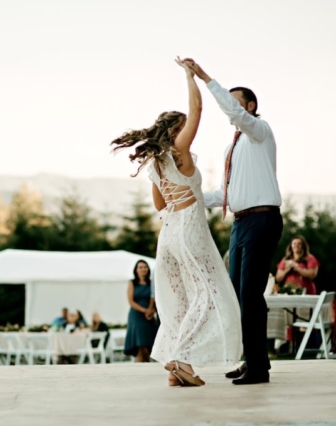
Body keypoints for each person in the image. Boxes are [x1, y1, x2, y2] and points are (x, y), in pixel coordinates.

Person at [111, 58, 242, 386]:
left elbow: (160, 203)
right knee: (214, 295)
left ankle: (178, 370)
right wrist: (190, 75)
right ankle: (182, 358)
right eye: (183, 127)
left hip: (168, 233)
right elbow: (197, 110)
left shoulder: (155, 163)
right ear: (175, 131)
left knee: (180, 297)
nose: (189, 131)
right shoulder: (178, 151)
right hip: (190, 228)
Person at [184, 58, 283, 385]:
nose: (230, 108)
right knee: (238, 296)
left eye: (235, 100)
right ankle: (253, 360)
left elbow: (234, 113)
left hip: (262, 221)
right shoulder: (234, 145)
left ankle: (258, 368)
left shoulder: (259, 132)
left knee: (251, 294)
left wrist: (206, 78)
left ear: (251, 107)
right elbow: (225, 193)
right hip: (240, 224)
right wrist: (190, 195)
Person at [122, 260, 157, 363]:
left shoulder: (152, 283)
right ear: (136, 270)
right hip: (136, 316)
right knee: (140, 345)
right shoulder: (132, 283)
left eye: (145, 267)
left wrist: (151, 311)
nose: (143, 269)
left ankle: (145, 366)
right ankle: (140, 367)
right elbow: (131, 301)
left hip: (149, 316)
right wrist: (144, 310)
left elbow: (155, 298)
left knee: (147, 345)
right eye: (140, 267)